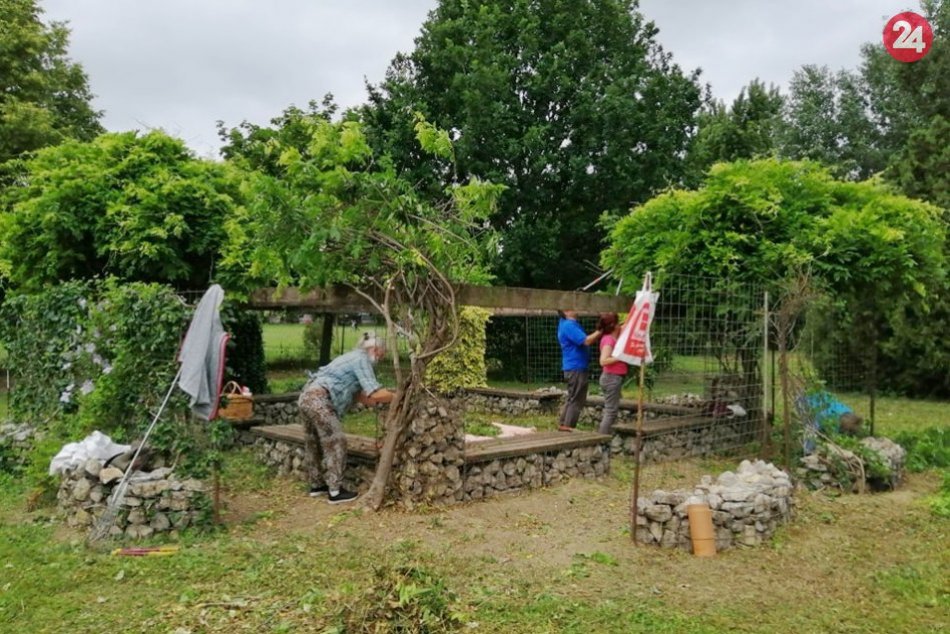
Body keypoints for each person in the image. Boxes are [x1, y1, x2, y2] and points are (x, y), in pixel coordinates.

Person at [298, 333, 394, 503]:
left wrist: (379, 402)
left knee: (313, 443)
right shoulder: (362, 359)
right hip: (320, 399)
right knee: (337, 442)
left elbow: (362, 396)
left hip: (307, 397)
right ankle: (335, 492)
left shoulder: (350, 358)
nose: (381, 357)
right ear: (374, 349)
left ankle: (317, 485)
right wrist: (398, 396)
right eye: (381, 352)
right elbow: (375, 393)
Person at [556, 309, 602, 431]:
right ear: (566, 311)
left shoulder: (565, 323)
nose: (577, 308)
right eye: (573, 306)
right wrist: (602, 330)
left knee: (572, 398)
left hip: (573, 368)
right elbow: (586, 341)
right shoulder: (568, 325)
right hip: (576, 368)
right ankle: (568, 428)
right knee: (577, 400)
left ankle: (563, 426)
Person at [597, 312, 628, 435]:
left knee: (611, 410)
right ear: (613, 325)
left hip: (613, 378)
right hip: (611, 378)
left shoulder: (615, 337)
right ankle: (601, 438)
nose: (620, 323)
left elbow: (626, 326)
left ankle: (606, 434)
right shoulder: (609, 341)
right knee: (610, 411)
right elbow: (603, 361)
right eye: (618, 321)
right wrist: (619, 357)